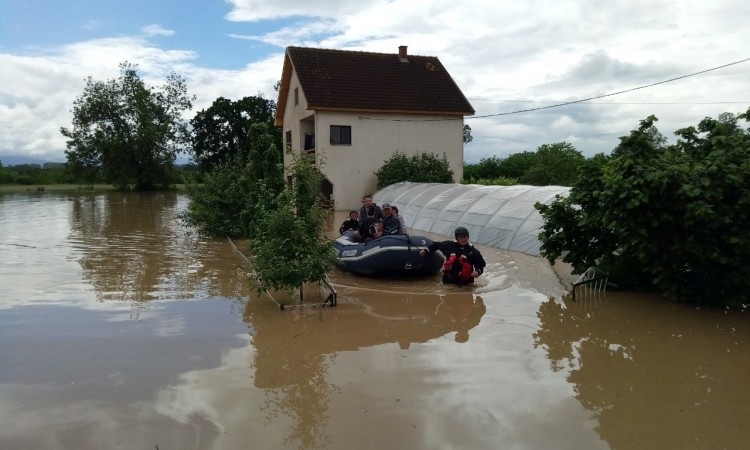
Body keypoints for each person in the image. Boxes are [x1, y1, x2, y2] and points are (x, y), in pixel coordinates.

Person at [419, 226, 486, 285]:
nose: (463, 239)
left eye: (465, 236)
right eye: (460, 237)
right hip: (449, 281)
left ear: (468, 237)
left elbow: (480, 266)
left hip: (466, 283)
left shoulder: (474, 252)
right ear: (456, 238)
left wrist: (477, 272)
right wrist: (425, 251)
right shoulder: (449, 245)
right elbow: (436, 245)